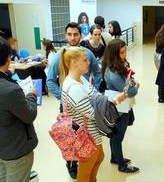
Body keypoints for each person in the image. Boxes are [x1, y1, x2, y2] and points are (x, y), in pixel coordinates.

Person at [46, 22, 101, 180]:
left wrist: (93, 91)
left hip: (84, 100)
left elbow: (96, 72)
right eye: (69, 34)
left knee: (85, 141)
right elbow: (50, 81)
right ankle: (72, 165)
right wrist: (63, 98)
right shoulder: (59, 56)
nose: (72, 37)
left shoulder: (86, 54)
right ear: (65, 36)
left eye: (75, 34)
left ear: (80, 35)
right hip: (69, 104)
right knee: (72, 138)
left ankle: (85, 165)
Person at [59, 47, 120, 182]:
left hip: (92, 134)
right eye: (85, 60)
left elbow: (96, 95)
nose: (89, 63)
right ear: (74, 62)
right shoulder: (74, 87)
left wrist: (103, 103)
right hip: (86, 136)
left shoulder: (81, 79)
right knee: (85, 171)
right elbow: (94, 114)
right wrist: (114, 102)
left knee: (99, 158)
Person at [0, 37, 38, 182]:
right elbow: (29, 115)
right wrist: (31, 96)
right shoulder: (10, 91)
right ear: (9, 58)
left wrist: (7, 74)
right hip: (15, 150)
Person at [102, 38, 140, 173]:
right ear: (114, 54)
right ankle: (121, 164)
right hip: (120, 110)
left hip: (119, 107)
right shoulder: (113, 74)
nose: (125, 55)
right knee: (118, 137)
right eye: (122, 53)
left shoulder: (113, 67)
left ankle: (115, 157)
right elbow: (130, 92)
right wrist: (135, 86)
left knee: (115, 136)